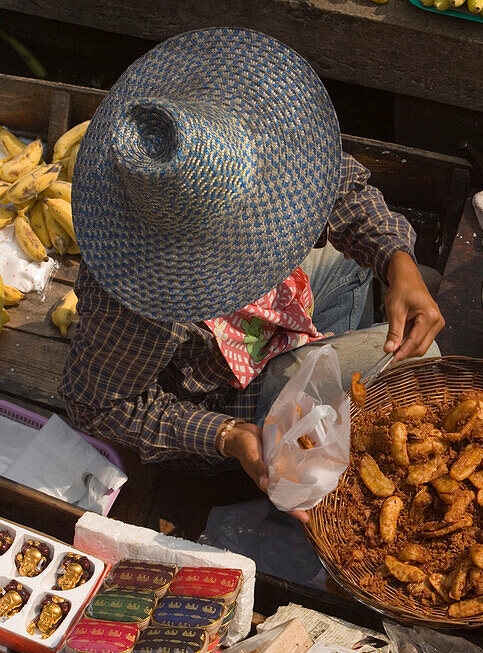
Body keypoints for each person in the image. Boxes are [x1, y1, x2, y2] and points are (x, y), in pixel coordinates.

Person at [59, 28, 444, 516]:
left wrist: (397, 261)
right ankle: (296, 431)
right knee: (422, 354)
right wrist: (226, 436)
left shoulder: (254, 144)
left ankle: (331, 361)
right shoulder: (138, 300)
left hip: (272, 306)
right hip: (232, 395)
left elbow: (340, 188)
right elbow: (97, 406)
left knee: (416, 280)